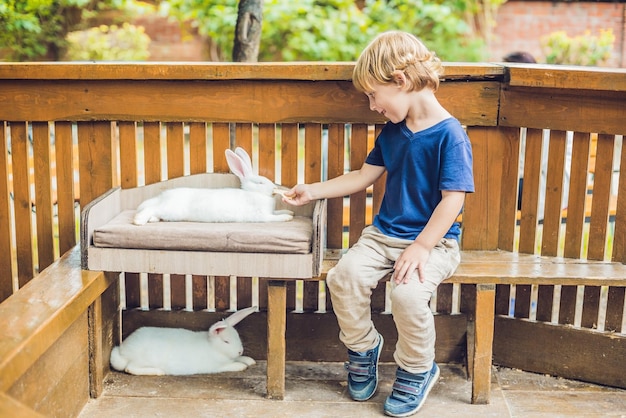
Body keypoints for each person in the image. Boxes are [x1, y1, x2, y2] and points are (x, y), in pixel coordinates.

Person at [283, 31, 474, 416]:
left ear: (400, 82)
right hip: (383, 236)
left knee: (406, 296)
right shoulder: (393, 131)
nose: (372, 106)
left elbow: (454, 199)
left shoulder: (450, 135)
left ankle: (418, 368)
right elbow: (362, 176)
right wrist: (312, 191)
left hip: (433, 243)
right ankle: (363, 346)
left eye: (373, 95)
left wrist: (421, 247)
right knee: (343, 277)